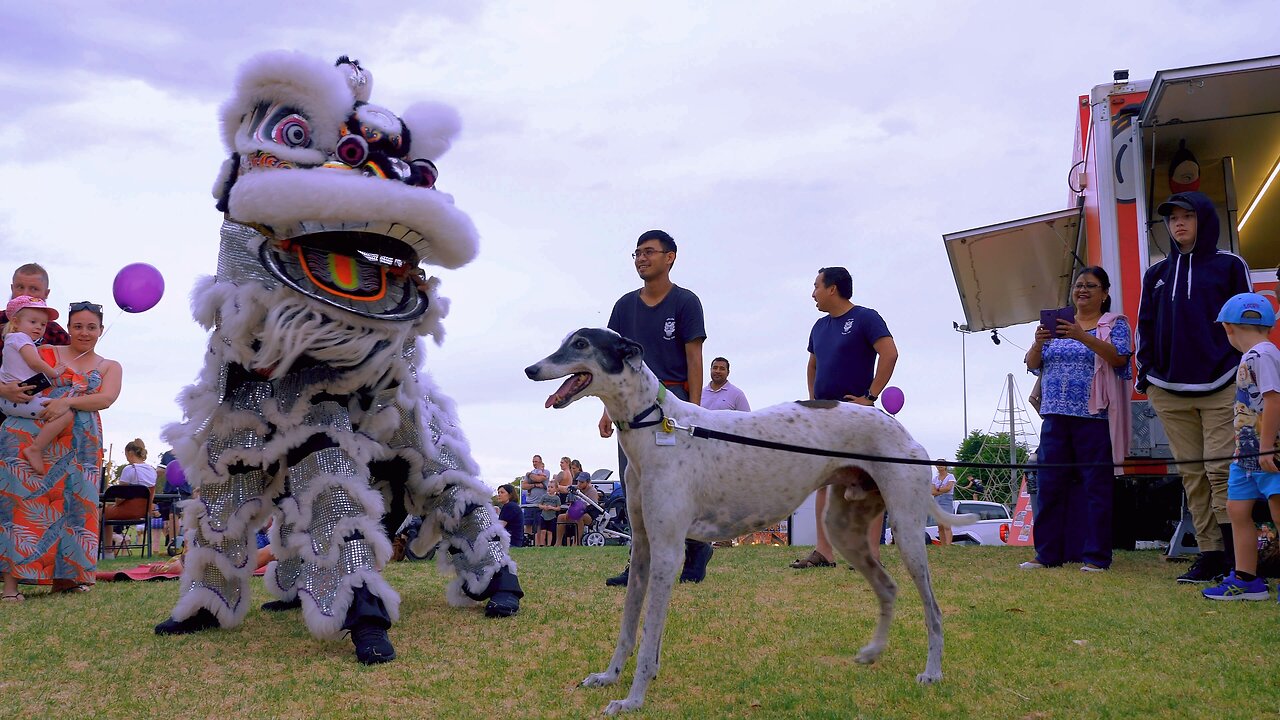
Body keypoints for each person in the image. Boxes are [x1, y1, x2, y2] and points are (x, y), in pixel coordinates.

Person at [1137, 191, 1252, 583]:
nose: (1179, 224)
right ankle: (1210, 556)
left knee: (1222, 469)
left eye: (1188, 216)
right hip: (1168, 388)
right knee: (1191, 474)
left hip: (1220, 383)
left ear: (1204, 219)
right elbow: (1145, 329)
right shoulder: (1156, 275)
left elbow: (1247, 320)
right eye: (1172, 219)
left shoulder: (1229, 266)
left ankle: (1239, 560)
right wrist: (1147, 377)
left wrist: (1241, 370)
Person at [599, 229, 713, 586]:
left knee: (678, 486)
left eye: (649, 252)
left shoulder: (686, 302)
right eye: (636, 254)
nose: (641, 259)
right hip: (630, 411)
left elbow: (695, 358)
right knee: (635, 486)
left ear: (670, 257)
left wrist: (694, 409)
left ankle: (696, 549)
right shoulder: (623, 306)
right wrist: (606, 409)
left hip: (672, 406)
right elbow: (610, 364)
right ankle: (638, 563)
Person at [1, 301, 123, 600]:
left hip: (82, 442)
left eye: (91, 327)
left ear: (101, 330)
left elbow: (105, 398)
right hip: (32, 435)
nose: (84, 332)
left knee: (76, 509)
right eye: (78, 326)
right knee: (23, 507)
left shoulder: (110, 365)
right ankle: (10, 586)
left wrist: (67, 402)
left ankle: (66, 578)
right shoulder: (44, 353)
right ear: (68, 328)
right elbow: (10, 375)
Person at [1021, 267, 1132, 572]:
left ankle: (1096, 557)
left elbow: (1120, 358)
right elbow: (1032, 365)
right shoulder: (1056, 326)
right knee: (1049, 485)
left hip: (1093, 416)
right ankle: (1046, 554)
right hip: (1055, 416)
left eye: (1090, 286)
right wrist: (1038, 343)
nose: (1082, 290)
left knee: (1096, 488)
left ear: (1104, 293)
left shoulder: (1114, 324)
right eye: (1078, 285)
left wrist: (1083, 336)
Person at [791, 266, 898, 569]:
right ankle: (824, 552)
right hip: (824, 417)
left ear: (832, 288)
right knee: (825, 482)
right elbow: (812, 365)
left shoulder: (866, 317)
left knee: (868, 482)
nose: (813, 293)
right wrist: (813, 401)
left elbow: (890, 354)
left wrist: (871, 397)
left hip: (856, 415)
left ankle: (870, 555)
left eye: (816, 286)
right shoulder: (819, 327)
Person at [1202, 294, 1279, 600]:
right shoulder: (1255, 356)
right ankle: (1246, 579)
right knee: (1237, 509)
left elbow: (1274, 400)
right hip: (1245, 454)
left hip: (1267, 453)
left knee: (1277, 510)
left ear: (1228, 328)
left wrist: (1265, 447)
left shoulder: (1262, 356)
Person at [0, 296, 72, 475]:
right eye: (33, 322)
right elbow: (34, 363)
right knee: (65, 414)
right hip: (17, 401)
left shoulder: (13, 339)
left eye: (43, 324)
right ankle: (36, 449)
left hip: (11, 400)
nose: (39, 327)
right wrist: (55, 371)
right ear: (15, 322)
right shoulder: (21, 339)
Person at [104, 438, 157, 521]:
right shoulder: (152, 470)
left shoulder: (129, 469)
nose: (126, 458)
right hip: (145, 512)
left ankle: (106, 534)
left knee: (100, 514)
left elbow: (120, 498)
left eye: (126, 455)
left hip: (127, 511)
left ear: (130, 453)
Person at [556, 459, 599, 546]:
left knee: (580, 517)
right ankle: (558, 543)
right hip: (577, 512)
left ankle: (577, 542)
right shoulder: (577, 489)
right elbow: (566, 489)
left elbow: (592, 507)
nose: (579, 483)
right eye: (578, 481)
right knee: (561, 517)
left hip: (589, 515)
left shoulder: (592, 491)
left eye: (582, 482)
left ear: (588, 482)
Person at [521, 455, 551, 546]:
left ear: (541, 462)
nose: (534, 463)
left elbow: (540, 478)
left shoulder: (546, 472)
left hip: (541, 503)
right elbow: (524, 486)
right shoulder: (531, 473)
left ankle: (538, 545)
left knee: (539, 525)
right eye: (533, 461)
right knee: (528, 523)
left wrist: (529, 475)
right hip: (530, 502)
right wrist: (534, 485)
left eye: (536, 461)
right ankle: (528, 543)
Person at [931, 461, 957, 545]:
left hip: (947, 501)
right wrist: (941, 490)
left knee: (946, 524)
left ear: (945, 466)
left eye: (941, 464)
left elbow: (949, 488)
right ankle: (943, 544)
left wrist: (938, 489)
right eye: (938, 464)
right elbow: (932, 492)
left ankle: (948, 544)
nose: (939, 466)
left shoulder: (950, 476)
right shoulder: (935, 478)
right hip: (937, 501)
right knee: (940, 525)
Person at [495, 484, 524, 548]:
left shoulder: (509, 506)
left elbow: (499, 527)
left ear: (510, 495)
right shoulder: (512, 506)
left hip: (511, 543)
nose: (499, 494)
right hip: (515, 541)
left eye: (502, 492)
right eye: (498, 492)